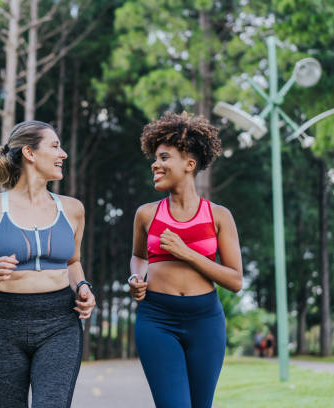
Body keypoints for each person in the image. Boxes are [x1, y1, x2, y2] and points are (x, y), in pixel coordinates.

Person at [0, 120, 96, 408]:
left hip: (60, 323)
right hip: (1, 326)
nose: (64, 154)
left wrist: (83, 286)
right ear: (30, 153)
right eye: (55, 146)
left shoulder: (73, 209)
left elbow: (73, 261)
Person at [128, 112, 243, 408]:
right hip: (157, 319)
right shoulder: (146, 214)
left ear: (189, 165)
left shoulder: (219, 216)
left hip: (205, 321)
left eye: (165, 157)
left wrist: (186, 252)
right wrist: (135, 278)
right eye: (155, 158)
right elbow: (138, 257)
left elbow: (235, 280)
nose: (156, 164)